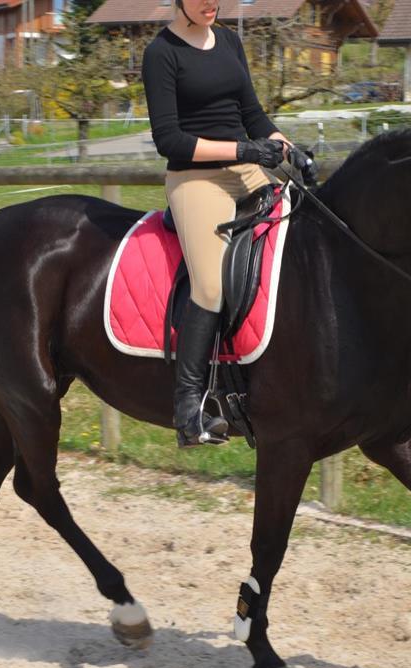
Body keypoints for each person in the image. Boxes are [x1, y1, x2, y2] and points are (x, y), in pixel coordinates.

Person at [142, 0, 291, 447]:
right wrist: (243, 151)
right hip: (195, 180)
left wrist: (285, 147)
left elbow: (253, 116)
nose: (212, 3)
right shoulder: (160, 53)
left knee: (294, 247)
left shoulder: (229, 40)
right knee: (211, 284)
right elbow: (170, 140)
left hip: (246, 170)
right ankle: (189, 407)